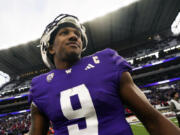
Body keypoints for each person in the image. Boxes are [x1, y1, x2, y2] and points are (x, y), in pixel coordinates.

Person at [28, 14, 180, 135]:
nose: (74, 36)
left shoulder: (106, 61)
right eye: (64, 33)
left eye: (77, 34)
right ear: (50, 48)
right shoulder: (39, 87)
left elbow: (153, 120)